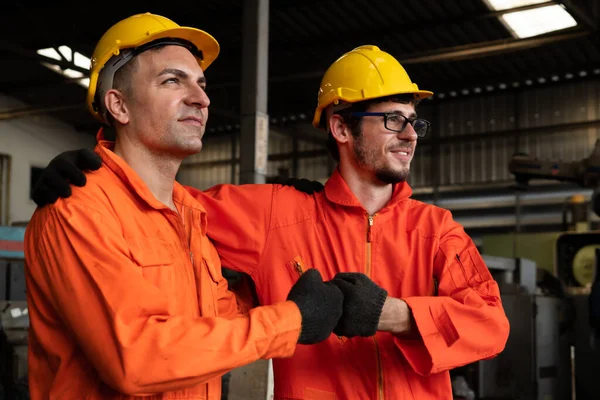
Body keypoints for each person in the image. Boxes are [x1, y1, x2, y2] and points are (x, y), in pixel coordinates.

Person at [34, 45, 510, 399]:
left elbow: (491, 325)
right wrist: (93, 164)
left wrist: (395, 315)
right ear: (341, 128)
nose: (409, 134)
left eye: (414, 122)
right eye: (391, 120)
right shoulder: (273, 212)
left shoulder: (436, 228)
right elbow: (159, 202)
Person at [23, 13, 345, 399]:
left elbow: (218, 324)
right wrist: (293, 320)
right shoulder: (80, 209)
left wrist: (279, 290)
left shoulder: (188, 216)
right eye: (172, 80)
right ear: (119, 106)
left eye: (201, 83)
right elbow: (136, 358)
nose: (202, 98)